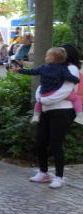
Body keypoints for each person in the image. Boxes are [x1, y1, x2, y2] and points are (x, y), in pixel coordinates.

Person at [25, 43, 81, 188]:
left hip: (63, 111)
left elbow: (66, 90)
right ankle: (43, 172)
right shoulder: (51, 67)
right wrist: (40, 97)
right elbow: (42, 86)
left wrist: (46, 100)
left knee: (56, 143)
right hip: (46, 110)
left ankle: (59, 176)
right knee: (40, 142)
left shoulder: (72, 69)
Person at [16, 47, 82, 125]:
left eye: (46, 56)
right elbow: (69, 77)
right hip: (55, 91)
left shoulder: (43, 67)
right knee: (76, 98)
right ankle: (80, 116)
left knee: (39, 102)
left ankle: (36, 115)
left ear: (51, 58)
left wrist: (19, 70)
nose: (45, 57)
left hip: (44, 93)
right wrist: (77, 80)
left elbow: (32, 72)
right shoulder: (63, 69)